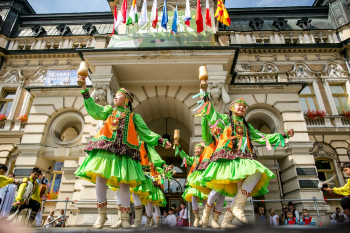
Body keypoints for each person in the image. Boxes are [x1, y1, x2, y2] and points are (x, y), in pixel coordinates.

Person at [74, 81, 172, 229]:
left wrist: (161, 141)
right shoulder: (109, 110)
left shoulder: (134, 117)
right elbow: (95, 111)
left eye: (118, 95)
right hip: (106, 149)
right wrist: (84, 90)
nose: (115, 97)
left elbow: (146, 133)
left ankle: (125, 218)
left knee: (124, 184)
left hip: (125, 153)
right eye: (115, 95)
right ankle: (102, 216)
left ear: (126, 99)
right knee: (100, 178)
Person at [195, 85, 294, 226]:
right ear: (231, 108)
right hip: (227, 157)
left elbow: (262, 137)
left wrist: (283, 134)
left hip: (243, 156)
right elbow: (211, 113)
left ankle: (228, 219)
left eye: (244, 106)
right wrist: (204, 96)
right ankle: (208, 214)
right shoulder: (224, 119)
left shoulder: (247, 126)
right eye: (238, 105)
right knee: (218, 189)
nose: (241, 107)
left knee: (255, 175)